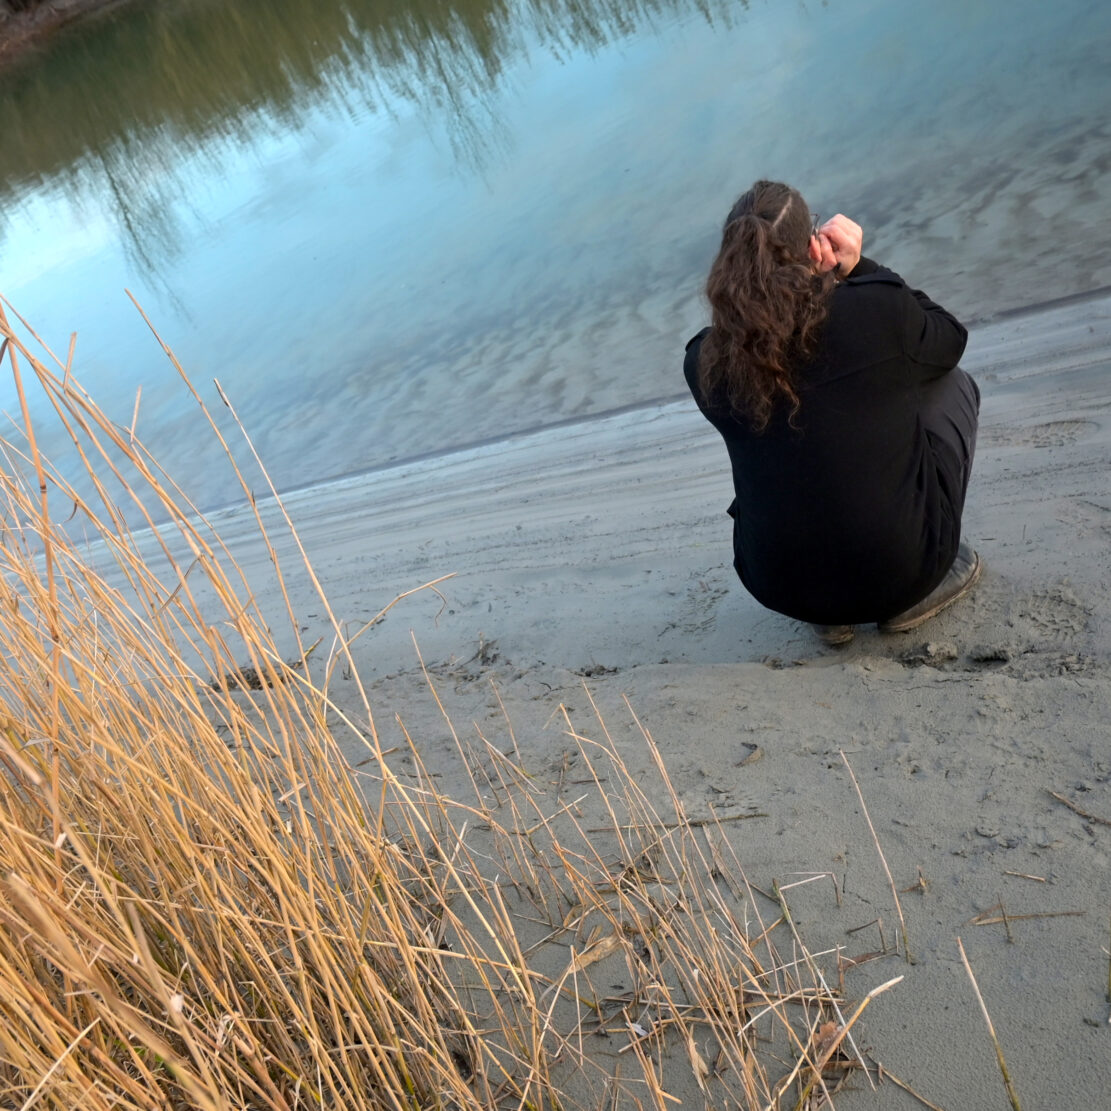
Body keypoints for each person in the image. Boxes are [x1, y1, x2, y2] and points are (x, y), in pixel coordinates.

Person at [683, 180, 981, 646]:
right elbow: (950, 338)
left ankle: (829, 613)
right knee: (949, 381)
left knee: (776, 433)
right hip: (905, 572)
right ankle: (916, 592)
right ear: (812, 245)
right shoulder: (876, 309)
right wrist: (858, 267)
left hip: (781, 586)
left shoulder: (705, 359)